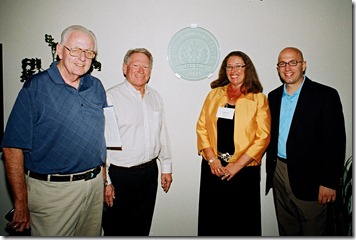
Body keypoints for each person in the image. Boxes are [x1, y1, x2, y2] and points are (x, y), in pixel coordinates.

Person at [1, 25, 107, 236]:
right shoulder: (36, 88)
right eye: (75, 49)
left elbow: (101, 138)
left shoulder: (96, 87)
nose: (82, 57)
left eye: (89, 52)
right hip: (54, 194)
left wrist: (105, 180)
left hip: (94, 188)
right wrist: (20, 203)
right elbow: (12, 148)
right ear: (59, 50)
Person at [265, 47, 346, 236]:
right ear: (277, 68)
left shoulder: (325, 95)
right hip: (279, 172)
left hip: (312, 178)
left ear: (303, 65)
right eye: (282, 64)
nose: (288, 68)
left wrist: (329, 182)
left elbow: (335, 142)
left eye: (293, 62)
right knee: (286, 229)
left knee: (313, 231)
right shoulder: (273, 97)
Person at [196, 51, 271, 236]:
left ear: (247, 69)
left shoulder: (258, 99)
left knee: (242, 224)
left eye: (238, 66)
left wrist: (236, 166)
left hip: (244, 172)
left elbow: (263, 137)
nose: (233, 70)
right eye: (229, 66)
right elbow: (201, 127)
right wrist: (212, 160)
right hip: (214, 169)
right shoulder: (214, 95)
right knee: (212, 222)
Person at [102, 48, 173, 236]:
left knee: (141, 229)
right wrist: (105, 182)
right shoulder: (110, 97)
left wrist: (166, 166)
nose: (141, 70)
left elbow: (162, 133)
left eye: (146, 67)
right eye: (136, 65)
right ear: (125, 68)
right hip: (120, 176)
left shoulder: (155, 97)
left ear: (150, 71)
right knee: (116, 230)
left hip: (149, 174)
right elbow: (100, 143)